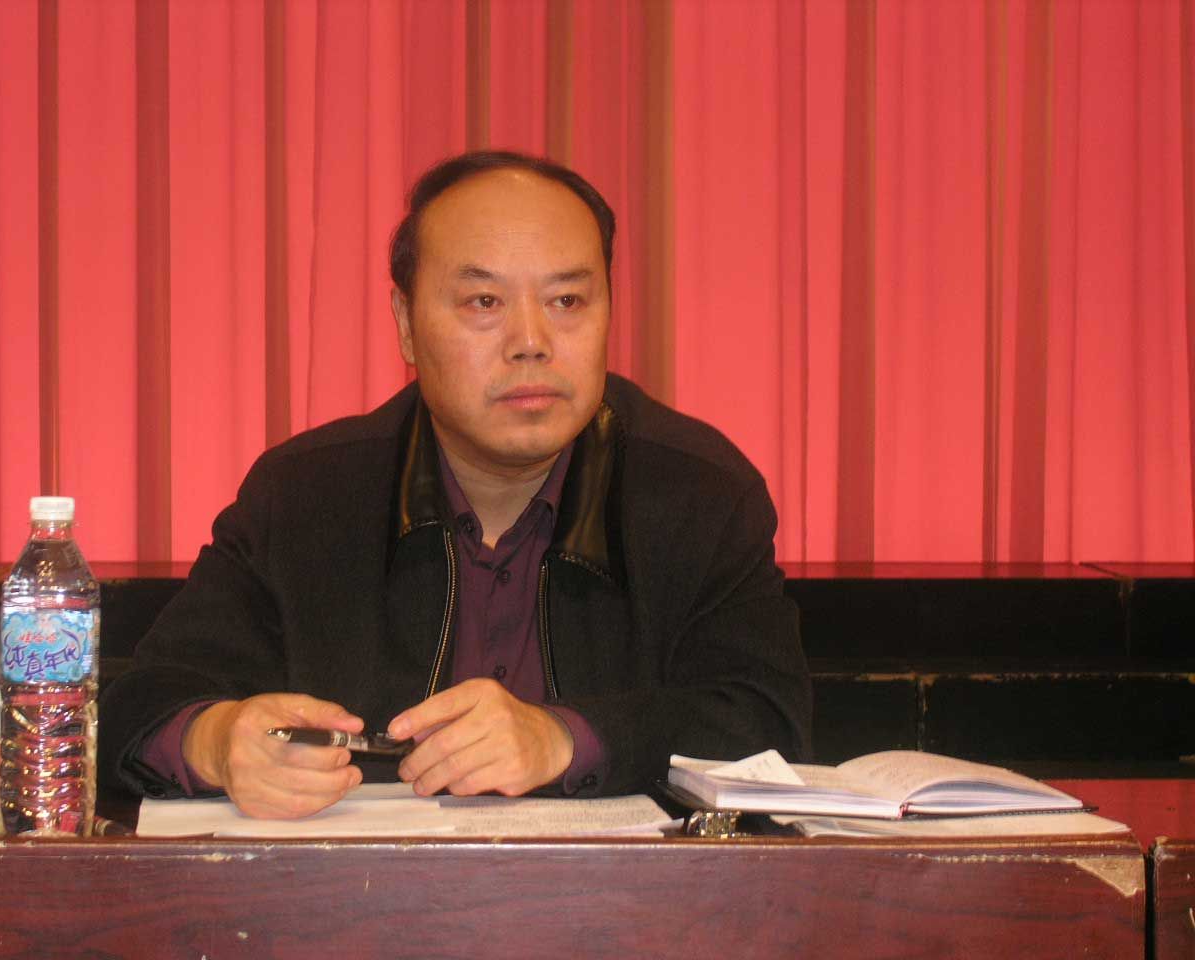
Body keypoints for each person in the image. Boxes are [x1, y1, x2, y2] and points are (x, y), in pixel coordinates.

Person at [100, 150, 811, 818]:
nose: (531, 341)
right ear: (407, 325)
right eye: (483, 302)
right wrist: (218, 741)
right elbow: (139, 707)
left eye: (567, 301)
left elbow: (769, 724)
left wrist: (564, 740)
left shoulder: (698, 495)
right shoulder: (305, 498)